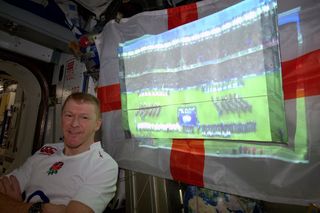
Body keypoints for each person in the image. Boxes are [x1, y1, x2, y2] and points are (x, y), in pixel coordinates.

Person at [0, 92, 118, 213]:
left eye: (84, 117)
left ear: (97, 124)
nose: (74, 124)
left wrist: (13, 206)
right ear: (61, 118)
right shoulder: (46, 151)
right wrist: (29, 208)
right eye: (69, 115)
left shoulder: (104, 165)